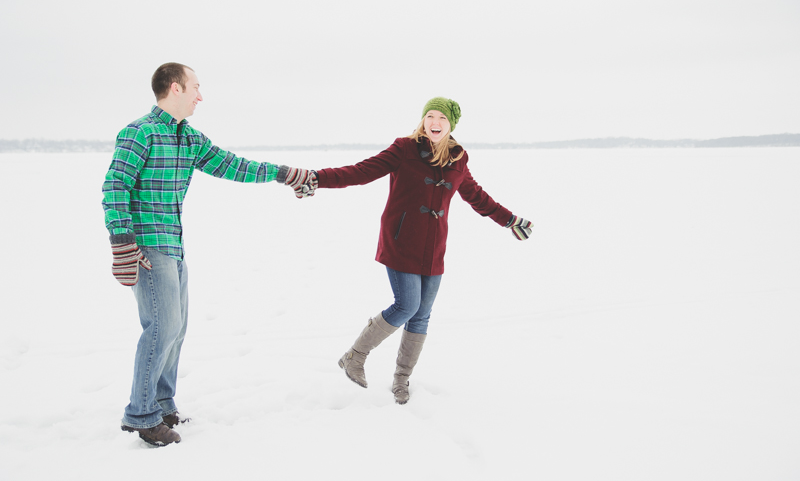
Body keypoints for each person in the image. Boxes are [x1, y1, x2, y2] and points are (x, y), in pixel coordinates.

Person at [102, 62, 311, 446]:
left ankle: (162, 404)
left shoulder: (189, 139)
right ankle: (142, 415)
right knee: (161, 328)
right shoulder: (139, 133)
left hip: (174, 245)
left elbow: (233, 165)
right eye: (196, 86)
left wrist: (284, 173)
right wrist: (122, 243)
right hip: (147, 246)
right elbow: (115, 186)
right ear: (175, 87)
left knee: (176, 329)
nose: (201, 95)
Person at [300, 97, 533, 404]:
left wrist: (508, 220)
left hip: (433, 247)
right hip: (401, 241)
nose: (434, 122)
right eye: (430, 116)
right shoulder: (403, 149)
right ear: (423, 120)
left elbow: (476, 195)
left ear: (451, 125)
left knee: (421, 316)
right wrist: (317, 178)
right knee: (407, 305)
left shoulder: (458, 158)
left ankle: (401, 380)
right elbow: (361, 171)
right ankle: (354, 356)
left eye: (442, 118)